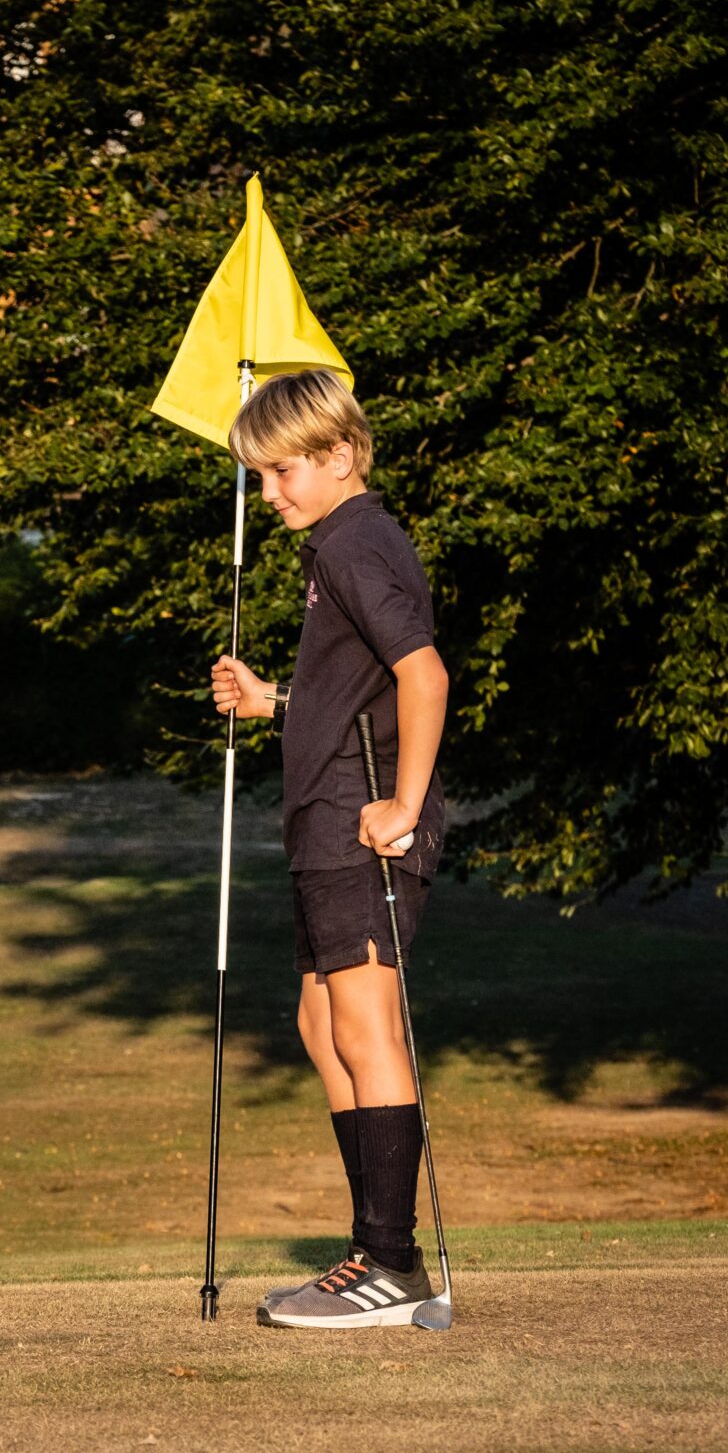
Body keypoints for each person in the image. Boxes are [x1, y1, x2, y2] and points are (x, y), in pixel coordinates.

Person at [208, 370, 450, 1329]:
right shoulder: (340, 546)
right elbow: (361, 700)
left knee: (365, 1030)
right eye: (259, 477)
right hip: (324, 825)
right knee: (321, 1029)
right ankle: (372, 1250)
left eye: (278, 472)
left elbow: (422, 675)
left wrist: (404, 802)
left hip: (363, 828)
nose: (268, 494)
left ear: (338, 455)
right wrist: (276, 701)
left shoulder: (353, 544)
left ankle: (392, 1264)